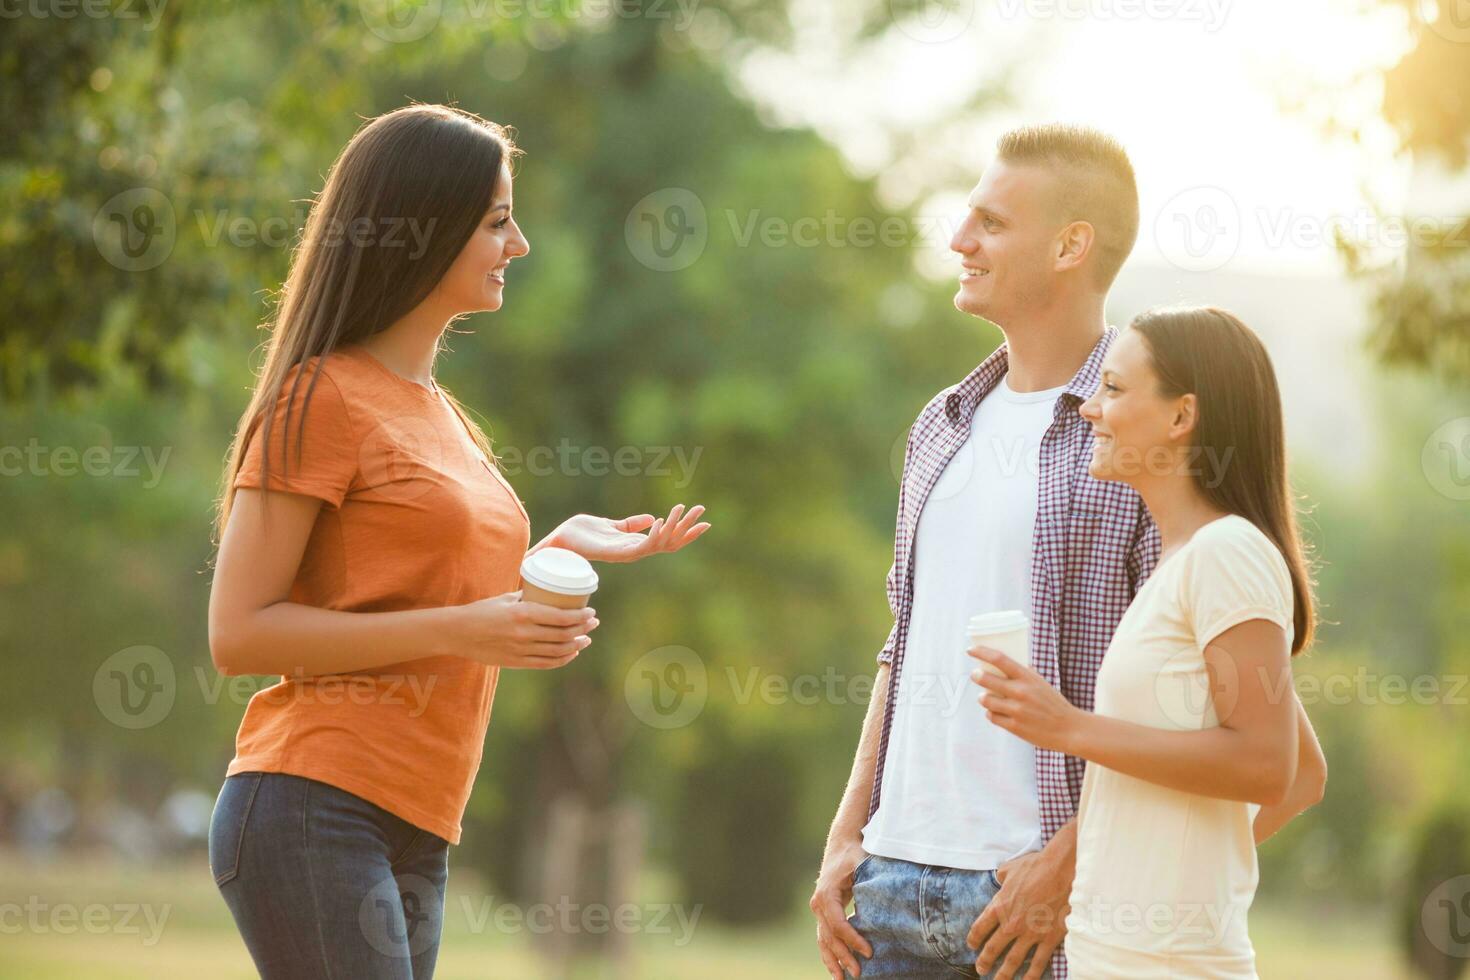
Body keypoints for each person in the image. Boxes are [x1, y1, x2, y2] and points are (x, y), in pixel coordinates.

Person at [205, 104, 710, 980]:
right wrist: (467, 630)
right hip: (315, 800)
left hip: (423, 819)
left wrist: (557, 551)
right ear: (421, 229)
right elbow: (239, 633)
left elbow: (418, 584)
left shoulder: (442, 415)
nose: (518, 246)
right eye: (496, 222)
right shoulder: (319, 399)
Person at [811, 124, 1159, 980]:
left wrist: (1066, 862)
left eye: (992, 223)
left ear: (1072, 245)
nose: (960, 241)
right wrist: (848, 831)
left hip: (1035, 899)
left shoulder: (1138, 430)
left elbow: (1171, 687)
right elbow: (904, 641)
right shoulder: (942, 423)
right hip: (888, 888)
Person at [969, 306, 1328, 978]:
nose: (1089, 411)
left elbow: (1267, 765)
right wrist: (1149, 866)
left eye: (1113, 389)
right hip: (1120, 955)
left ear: (1180, 416)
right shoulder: (1181, 563)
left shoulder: (1228, 554)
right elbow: (1305, 773)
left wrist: (1070, 728)